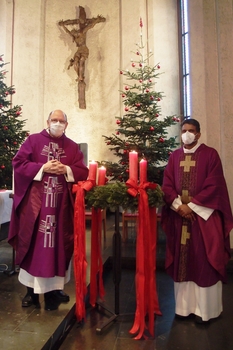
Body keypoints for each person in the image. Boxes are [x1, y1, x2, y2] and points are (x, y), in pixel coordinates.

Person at [8, 110, 89, 310]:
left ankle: (54, 291)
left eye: (62, 121)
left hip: (60, 208)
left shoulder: (72, 147)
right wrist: (42, 168)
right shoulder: (33, 141)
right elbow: (18, 163)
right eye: (55, 120)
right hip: (37, 207)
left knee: (59, 246)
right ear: (48, 121)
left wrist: (66, 170)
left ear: (66, 125)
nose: (58, 123)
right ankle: (31, 293)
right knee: (34, 244)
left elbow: (82, 170)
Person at [161, 118, 233, 323]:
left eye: (191, 131)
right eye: (184, 131)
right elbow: (167, 185)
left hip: (203, 218)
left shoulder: (210, 155)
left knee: (204, 261)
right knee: (183, 262)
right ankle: (183, 309)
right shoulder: (174, 157)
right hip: (179, 218)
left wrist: (191, 207)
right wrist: (178, 207)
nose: (187, 134)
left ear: (198, 134)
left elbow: (215, 186)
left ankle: (206, 311)